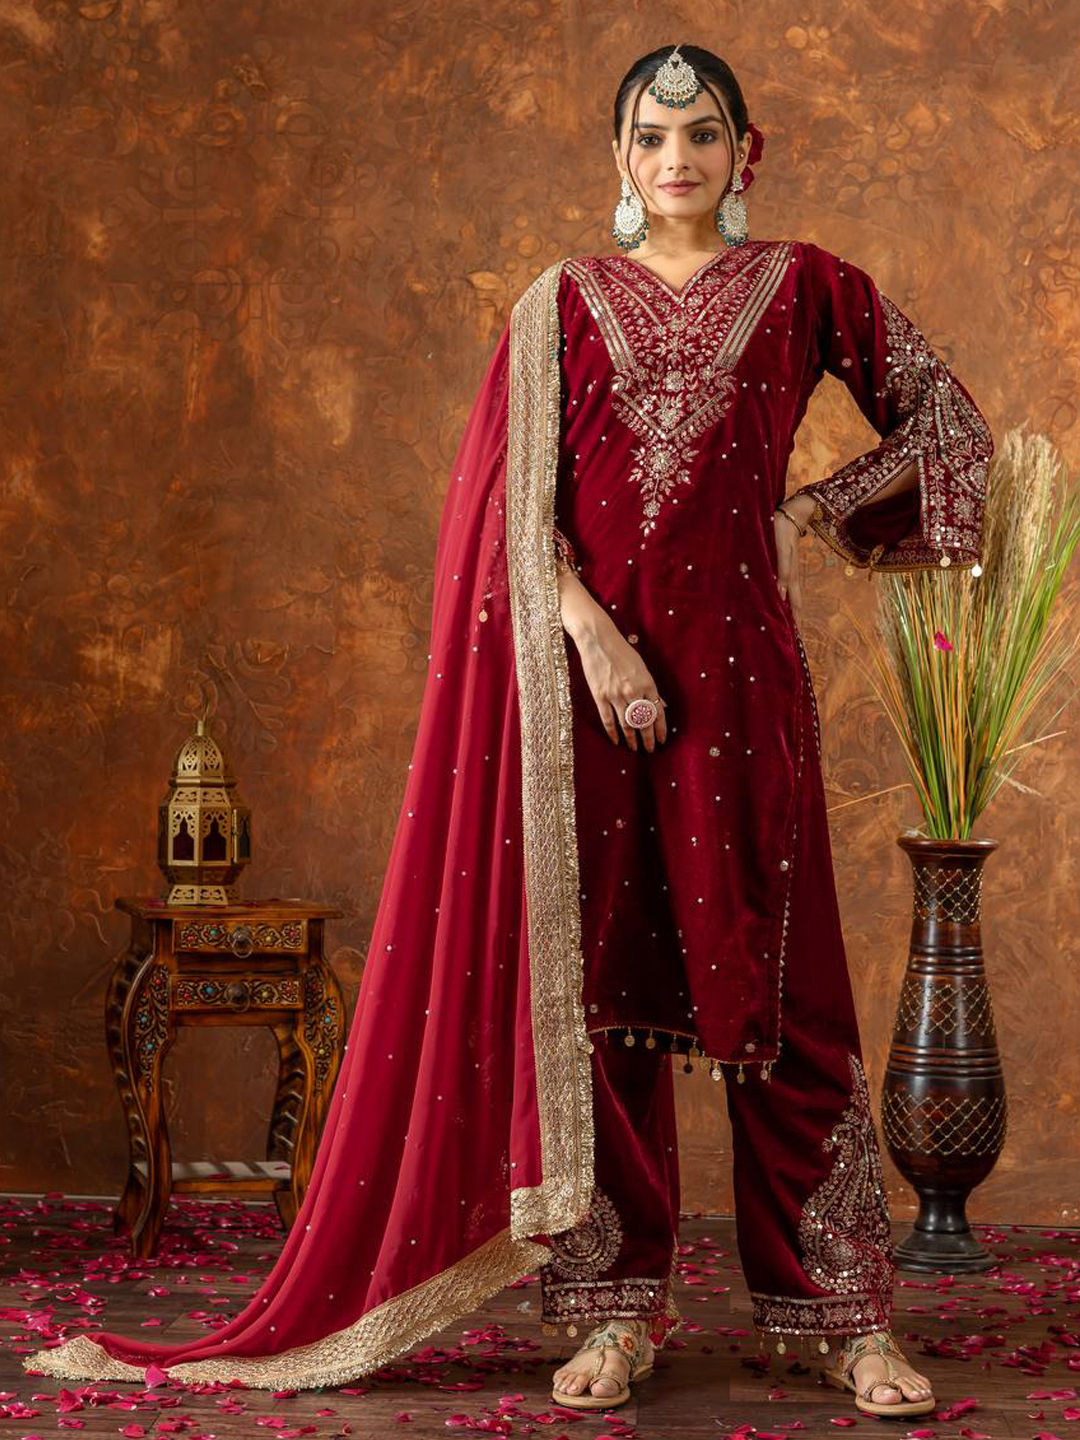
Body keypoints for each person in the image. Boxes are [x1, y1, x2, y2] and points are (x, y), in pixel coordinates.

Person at [26, 41, 992, 1424]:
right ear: (617, 157)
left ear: (748, 149)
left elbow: (948, 427)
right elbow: (502, 515)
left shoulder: (808, 286)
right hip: (579, 703)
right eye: (650, 136)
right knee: (602, 1001)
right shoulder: (560, 303)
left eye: (702, 135)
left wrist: (810, 512)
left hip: (743, 694)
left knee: (781, 1005)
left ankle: (846, 1317)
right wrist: (593, 636)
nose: (676, 159)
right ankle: (613, 1312)